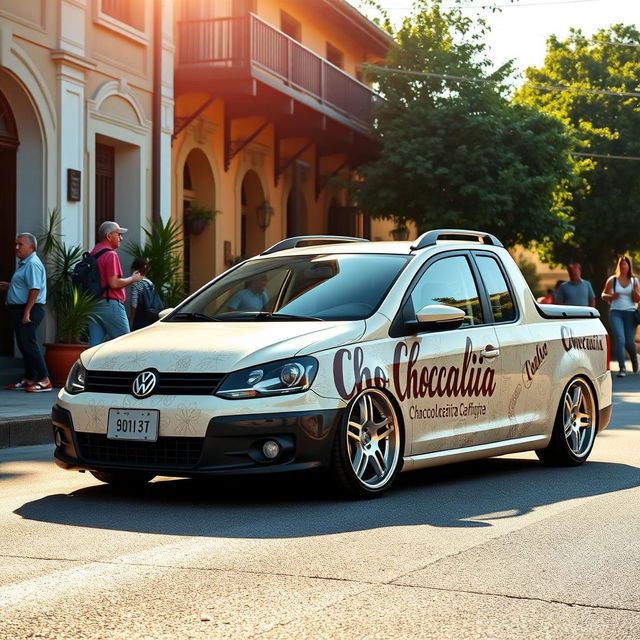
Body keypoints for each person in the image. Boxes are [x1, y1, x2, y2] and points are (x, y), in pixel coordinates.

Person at [0, 233, 52, 392]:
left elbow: (35, 289)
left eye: (20, 244)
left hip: (28, 309)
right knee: (24, 345)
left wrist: (27, 312)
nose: (16, 247)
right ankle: (30, 378)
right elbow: (26, 286)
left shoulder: (32, 264)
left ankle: (44, 379)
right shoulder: (24, 263)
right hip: (21, 308)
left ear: (32, 247)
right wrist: (10, 287)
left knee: (29, 344)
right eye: (16, 244)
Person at [88, 221, 143, 347]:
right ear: (108, 236)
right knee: (125, 345)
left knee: (94, 347)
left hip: (93, 304)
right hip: (110, 304)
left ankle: (89, 367)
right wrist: (132, 279)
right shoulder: (110, 255)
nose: (121, 238)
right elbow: (114, 283)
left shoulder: (93, 253)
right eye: (118, 234)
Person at [601, 255, 640, 377]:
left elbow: (638, 299)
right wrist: (611, 297)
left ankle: (634, 357)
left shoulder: (634, 281)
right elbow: (603, 295)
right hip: (616, 312)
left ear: (629, 266)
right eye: (622, 264)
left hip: (630, 313)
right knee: (620, 339)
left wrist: (635, 292)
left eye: (626, 264)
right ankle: (622, 368)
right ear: (619, 266)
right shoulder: (612, 280)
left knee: (629, 342)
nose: (624, 266)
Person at [128, 258, 162, 330]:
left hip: (140, 319)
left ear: (134, 269)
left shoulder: (136, 283)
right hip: (151, 317)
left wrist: (131, 321)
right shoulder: (150, 283)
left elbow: (134, 304)